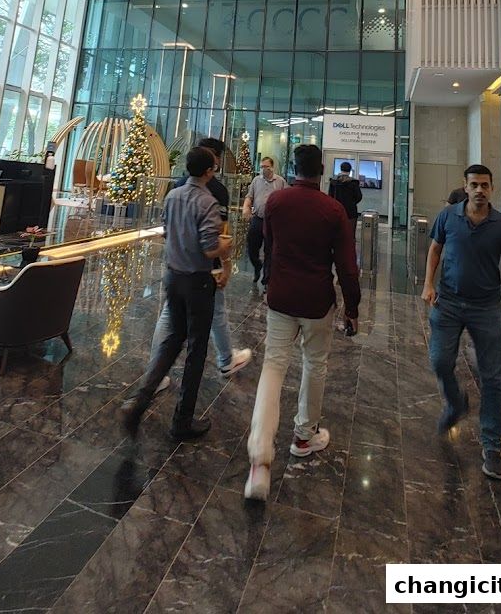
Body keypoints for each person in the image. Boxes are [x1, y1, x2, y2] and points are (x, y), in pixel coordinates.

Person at [244, 144, 361, 502]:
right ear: (321, 170)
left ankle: (260, 463)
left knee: (273, 369)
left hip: (280, 298)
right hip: (315, 302)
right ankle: (303, 436)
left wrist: (267, 283)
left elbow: (269, 248)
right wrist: (352, 308)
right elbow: (346, 265)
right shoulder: (333, 210)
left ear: (292, 168)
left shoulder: (276, 203)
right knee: (315, 365)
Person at [121, 146, 233, 441]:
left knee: (172, 342)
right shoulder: (207, 202)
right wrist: (225, 247)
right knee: (196, 350)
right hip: (197, 282)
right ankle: (182, 420)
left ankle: (139, 404)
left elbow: (167, 232)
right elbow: (210, 248)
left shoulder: (172, 196)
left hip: (172, 277)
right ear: (209, 171)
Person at [421, 163, 501, 481]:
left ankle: (492, 446)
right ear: (465, 187)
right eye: (474, 184)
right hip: (448, 303)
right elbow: (435, 249)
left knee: (493, 378)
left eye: (485, 185)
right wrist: (428, 284)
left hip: (486, 308)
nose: (480, 189)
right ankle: (455, 404)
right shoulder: (448, 216)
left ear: (492, 188)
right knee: (439, 361)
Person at [152, 137, 251, 385]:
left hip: (175, 268)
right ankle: (225, 360)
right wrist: (226, 264)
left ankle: (156, 372)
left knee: (171, 315)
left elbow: (166, 229)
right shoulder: (214, 192)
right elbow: (219, 235)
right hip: (203, 270)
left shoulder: (176, 188)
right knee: (211, 315)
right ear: (214, 162)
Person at [242, 155, 286, 292]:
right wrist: (246, 207)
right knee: (251, 246)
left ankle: (267, 279)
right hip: (258, 219)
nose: (263, 169)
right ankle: (257, 266)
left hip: (273, 222)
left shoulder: (280, 182)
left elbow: (285, 200)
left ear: (272, 167)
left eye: (266, 167)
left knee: (270, 250)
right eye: (261, 167)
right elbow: (250, 196)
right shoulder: (256, 180)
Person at [328, 161, 362, 228]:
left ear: (341, 169)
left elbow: (330, 196)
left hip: (337, 210)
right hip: (351, 212)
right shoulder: (354, 183)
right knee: (350, 232)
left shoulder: (334, 182)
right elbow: (359, 197)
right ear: (350, 171)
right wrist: (352, 203)